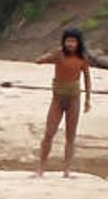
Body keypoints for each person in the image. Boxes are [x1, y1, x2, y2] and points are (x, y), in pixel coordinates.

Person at [35, 28, 93, 178]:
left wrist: (87, 100)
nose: (70, 44)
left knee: (70, 136)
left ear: (78, 43)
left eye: (73, 41)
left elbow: (87, 79)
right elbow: (39, 60)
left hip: (74, 99)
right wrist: (49, 56)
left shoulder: (82, 59)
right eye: (68, 41)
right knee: (49, 133)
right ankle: (41, 168)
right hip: (57, 99)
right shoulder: (59, 54)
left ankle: (66, 170)